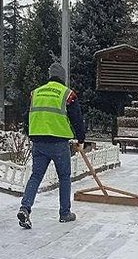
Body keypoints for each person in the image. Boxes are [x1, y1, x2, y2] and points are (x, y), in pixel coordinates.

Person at [17, 62, 86, 229]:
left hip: (38, 142)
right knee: (64, 177)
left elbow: (27, 116)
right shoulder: (67, 94)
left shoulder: (36, 93)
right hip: (58, 143)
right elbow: (76, 118)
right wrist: (81, 139)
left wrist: (30, 133)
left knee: (36, 176)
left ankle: (25, 208)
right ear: (63, 78)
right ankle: (64, 213)